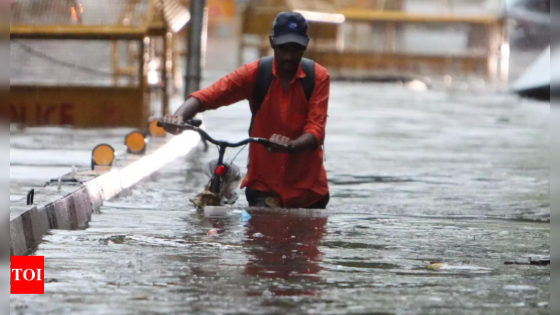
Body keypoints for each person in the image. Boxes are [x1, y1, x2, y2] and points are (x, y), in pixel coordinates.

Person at [162, 12, 330, 209]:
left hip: (308, 192)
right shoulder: (256, 74)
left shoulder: (318, 77)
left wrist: (291, 145)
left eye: (296, 49)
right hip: (264, 189)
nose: (289, 57)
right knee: (259, 236)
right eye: (283, 48)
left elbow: (316, 131)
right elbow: (208, 96)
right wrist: (178, 118)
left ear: (306, 45)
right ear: (272, 42)